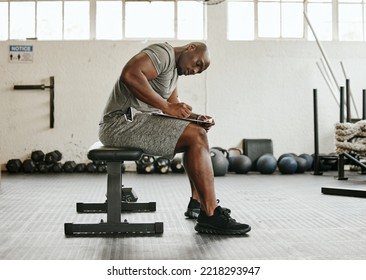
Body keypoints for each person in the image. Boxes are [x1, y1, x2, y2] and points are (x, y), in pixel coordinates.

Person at [99, 42, 251, 235]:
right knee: (196, 135)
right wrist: (167, 107)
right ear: (191, 48)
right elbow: (130, 74)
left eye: (200, 70)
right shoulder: (162, 54)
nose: (195, 71)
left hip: (134, 123)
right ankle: (211, 214)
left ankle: (198, 204)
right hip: (119, 124)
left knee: (197, 131)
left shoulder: (173, 74)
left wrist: (198, 118)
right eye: (198, 64)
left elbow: (174, 108)